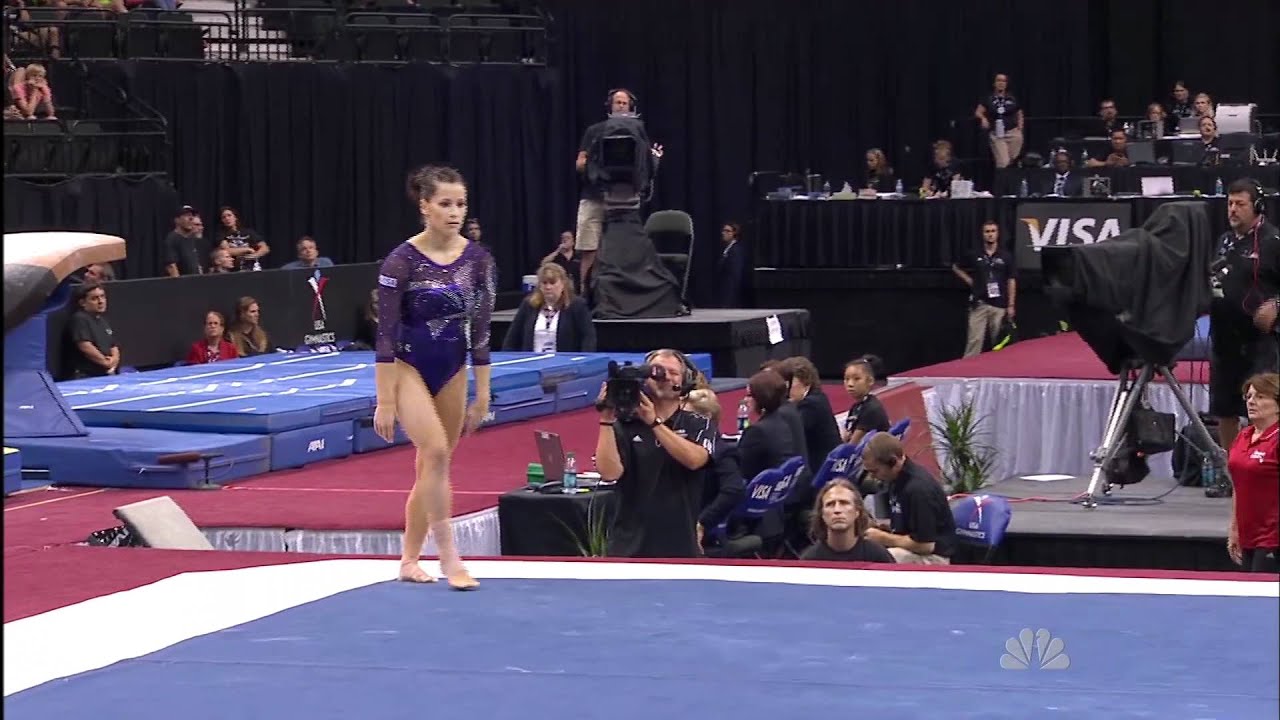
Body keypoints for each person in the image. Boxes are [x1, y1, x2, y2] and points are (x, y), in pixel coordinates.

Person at [373, 165, 496, 591]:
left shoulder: (478, 260)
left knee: (431, 465)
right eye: (445, 203)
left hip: (454, 366)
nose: (455, 211)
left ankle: (409, 560)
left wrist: (483, 395)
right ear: (424, 206)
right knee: (437, 451)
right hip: (408, 367)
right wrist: (385, 399)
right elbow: (385, 335)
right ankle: (450, 559)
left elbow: (481, 334)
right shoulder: (400, 261)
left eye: (460, 203)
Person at [594, 348, 715, 558]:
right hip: (629, 546)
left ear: (685, 381)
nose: (664, 376)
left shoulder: (698, 423)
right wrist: (606, 420)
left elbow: (695, 460)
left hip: (680, 545)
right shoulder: (625, 425)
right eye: (657, 371)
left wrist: (654, 423)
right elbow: (609, 473)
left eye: (673, 372)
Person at [1209, 179, 1280, 477]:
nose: (1233, 210)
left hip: (1259, 342)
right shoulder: (1224, 241)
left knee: (1261, 408)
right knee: (1224, 408)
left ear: (1258, 207)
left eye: (1240, 204)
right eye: (1230, 203)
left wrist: (1278, 305)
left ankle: (1263, 469)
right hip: (1225, 337)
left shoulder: (1273, 242)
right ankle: (1233, 472)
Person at [861, 433, 956, 565]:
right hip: (914, 549)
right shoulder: (896, 479)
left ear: (893, 462)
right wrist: (884, 527)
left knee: (879, 558)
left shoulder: (918, 489)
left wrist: (883, 538)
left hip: (934, 557)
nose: (873, 477)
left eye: (875, 471)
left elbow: (926, 545)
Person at [1227, 373, 1279, 573]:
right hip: (1248, 533)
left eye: (1260, 397)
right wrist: (1234, 528)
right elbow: (1238, 484)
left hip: (1273, 537)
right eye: (1249, 397)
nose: (1252, 402)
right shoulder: (1243, 435)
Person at [952, 220, 1017, 358]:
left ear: (998, 234)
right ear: (982, 234)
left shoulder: (1006, 256)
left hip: (1000, 303)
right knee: (974, 340)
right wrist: (970, 281)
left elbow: (1011, 280)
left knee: (999, 342)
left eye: (993, 231)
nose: (990, 235)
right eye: (987, 231)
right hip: (979, 301)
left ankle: (1001, 370)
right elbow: (956, 267)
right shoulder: (975, 254)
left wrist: (1011, 305)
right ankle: (968, 371)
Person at [500, 263, 596, 353]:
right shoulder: (529, 305)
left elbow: (588, 338)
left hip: (564, 364)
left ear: (563, 284)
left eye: (552, 283)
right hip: (533, 362)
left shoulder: (577, 305)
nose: (548, 287)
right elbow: (511, 338)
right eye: (544, 283)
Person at [800, 479, 894, 563]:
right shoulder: (810, 560)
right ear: (822, 514)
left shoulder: (877, 556)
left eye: (844, 503)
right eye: (830, 504)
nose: (837, 510)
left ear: (857, 511)